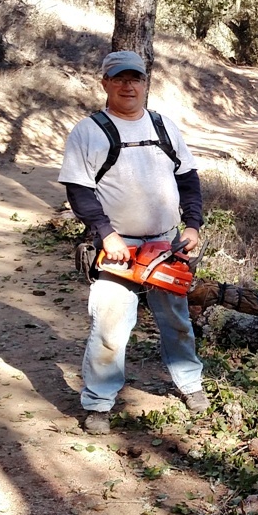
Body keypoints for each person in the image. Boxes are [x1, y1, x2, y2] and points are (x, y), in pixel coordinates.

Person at [58, 50, 209, 435]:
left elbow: (188, 179)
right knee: (109, 326)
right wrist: (105, 234)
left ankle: (190, 385)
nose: (129, 85)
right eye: (120, 78)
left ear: (145, 83)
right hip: (117, 249)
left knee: (176, 321)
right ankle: (98, 404)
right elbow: (79, 190)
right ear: (105, 82)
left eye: (136, 78)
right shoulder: (88, 131)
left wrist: (191, 226)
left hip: (166, 245)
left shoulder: (164, 127)